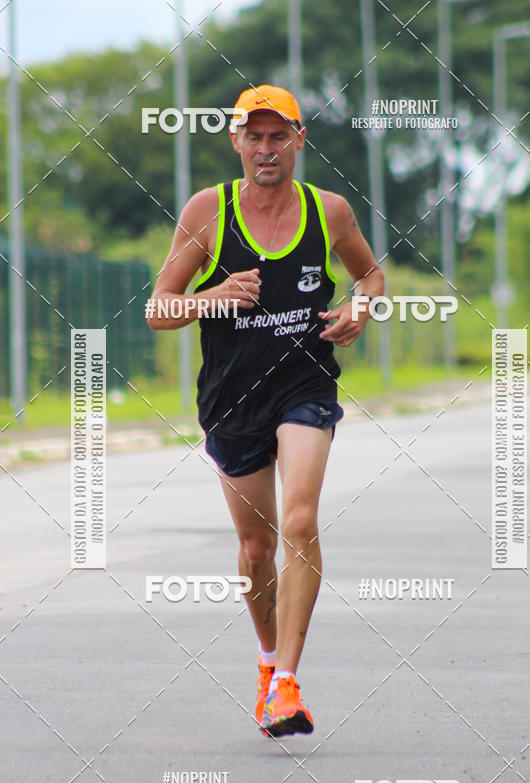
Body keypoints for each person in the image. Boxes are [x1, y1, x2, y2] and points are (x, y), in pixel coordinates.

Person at [147, 85, 384, 737]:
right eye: (253, 136)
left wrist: (361, 308)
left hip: (305, 385)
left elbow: (369, 275)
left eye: (279, 135)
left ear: (299, 140)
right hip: (232, 400)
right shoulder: (208, 211)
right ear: (236, 141)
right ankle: (267, 661)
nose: (266, 148)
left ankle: (287, 684)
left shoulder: (329, 211)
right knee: (257, 548)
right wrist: (214, 296)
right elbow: (159, 309)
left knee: (300, 519)